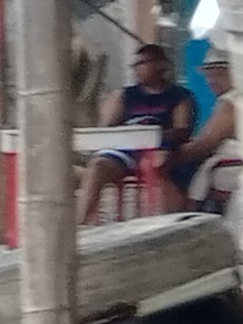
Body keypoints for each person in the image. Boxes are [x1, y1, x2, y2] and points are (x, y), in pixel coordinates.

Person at [83, 41, 218, 221]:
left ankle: (165, 220)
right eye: (135, 65)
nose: (137, 69)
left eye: (142, 63)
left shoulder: (180, 96)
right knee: (98, 165)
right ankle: (80, 221)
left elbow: (182, 129)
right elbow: (107, 127)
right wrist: (130, 135)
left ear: (161, 65)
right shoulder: (125, 95)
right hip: (125, 150)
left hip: (160, 148)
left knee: (158, 165)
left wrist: (154, 137)